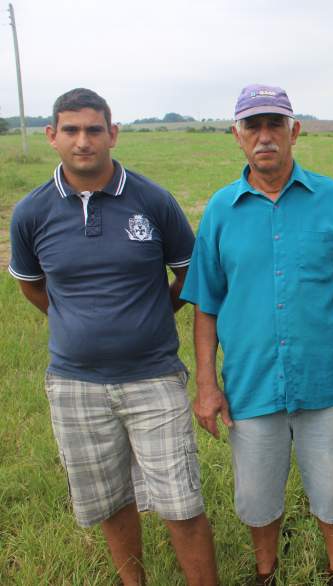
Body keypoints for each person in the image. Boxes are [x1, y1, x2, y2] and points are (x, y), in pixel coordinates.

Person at [7, 88, 218, 586]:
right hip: (74, 384)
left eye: (94, 130)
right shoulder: (31, 213)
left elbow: (190, 274)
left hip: (154, 379)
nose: (84, 141)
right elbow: (31, 284)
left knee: (181, 503)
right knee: (110, 500)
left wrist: (151, 315)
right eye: (72, 130)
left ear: (113, 134)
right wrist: (73, 321)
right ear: (51, 136)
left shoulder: (152, 200)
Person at [181, 84, 333, 586]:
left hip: (324, 378)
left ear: (294, 131)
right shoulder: (221, 210)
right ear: (237, 135)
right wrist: (207, 384)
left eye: (275, 124)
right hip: (252, 384)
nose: (265, 135)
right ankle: (265, 571)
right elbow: (206, 305)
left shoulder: (332, 199)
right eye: (253, 125)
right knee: (256, 495)